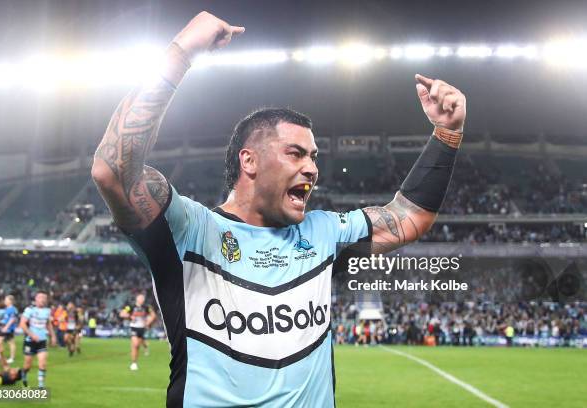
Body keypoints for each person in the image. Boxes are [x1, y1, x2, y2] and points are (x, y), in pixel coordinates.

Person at [91, 11, 466, 407]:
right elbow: (112, 171)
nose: (312, 168)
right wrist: (182, 51)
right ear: (249, 161)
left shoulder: (323, 233)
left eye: (314, 157)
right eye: (295, 153)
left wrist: (447, 133)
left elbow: (409, 217)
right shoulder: (189, 230)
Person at [19, 291, 57, 388]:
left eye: (44, 298)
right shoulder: (29, 310)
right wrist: (32, 335)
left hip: (42, 340)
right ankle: (24, 375)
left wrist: (53, 336)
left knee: (43, 363)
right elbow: (22, 324)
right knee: (28, 365)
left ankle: (41, 386)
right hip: (30, 341)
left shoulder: (47, 311)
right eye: (40, 297)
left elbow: (48, 324)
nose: (42, 299)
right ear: (35, 298)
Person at [120, 294, 156, 370]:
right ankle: (133, 363)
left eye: (142, 299)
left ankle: (135, 362)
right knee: (135, 345)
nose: (141, 300)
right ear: (137, 299)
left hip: (142, 328)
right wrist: (130, 316)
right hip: (134, 328)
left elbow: (153, 315)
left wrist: (148, 322)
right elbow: (122, 313)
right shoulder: (131, 306)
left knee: (137, 346)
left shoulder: (146, 307)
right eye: (140, 299)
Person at [0, 295, 18, 364]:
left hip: (8, 329)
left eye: (6, 300)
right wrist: (1, 322)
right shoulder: (7, 308)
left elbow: (12, 319)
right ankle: (1, 356)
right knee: (8, 342)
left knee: (2, 341)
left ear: (10, 301)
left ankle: (8, 357)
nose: (5, 301)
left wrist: (6, 327)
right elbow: (7, 319)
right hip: (6, 328)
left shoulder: (12, 309)